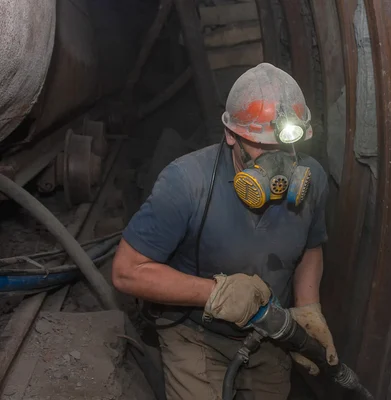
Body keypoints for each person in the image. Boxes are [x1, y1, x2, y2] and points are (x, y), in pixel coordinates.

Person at [112, 62, 338, 400]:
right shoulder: (185, 183)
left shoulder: (312, 178)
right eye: (261, 145)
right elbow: (126, 273)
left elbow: (310, 246)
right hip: (195, 335)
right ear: (231, 135)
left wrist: (307, 308)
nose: (278, 160)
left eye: (285, 145)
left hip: (272, 335)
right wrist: (214, 294)